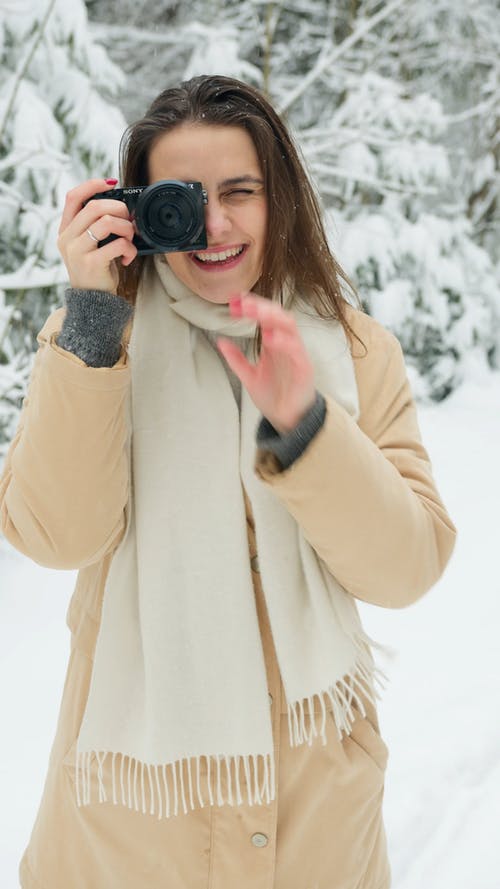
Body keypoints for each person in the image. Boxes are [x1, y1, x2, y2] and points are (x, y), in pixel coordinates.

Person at [0, 75, 456, 889]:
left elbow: (407, 566)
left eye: (238, 192)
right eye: (182, 197)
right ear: (136, 207)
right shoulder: (102, 334)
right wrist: (95, 316)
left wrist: (305, 422)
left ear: (280, 195)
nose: (211, 225)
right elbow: (57, 533)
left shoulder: (354, 350)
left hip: (318, 828)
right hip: (126, 841)